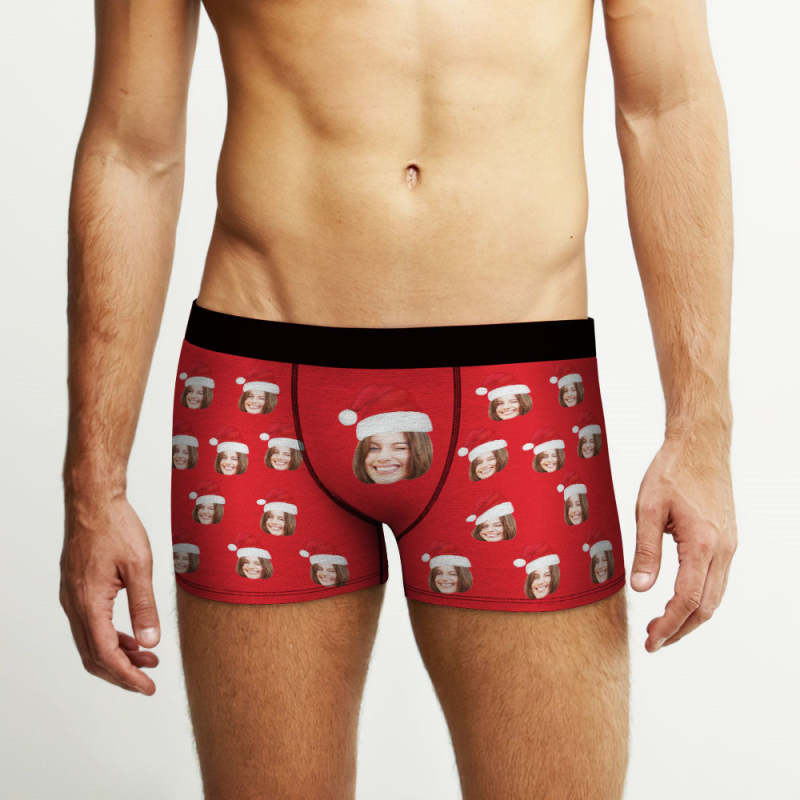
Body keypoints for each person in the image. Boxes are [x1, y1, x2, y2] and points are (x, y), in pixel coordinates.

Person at [58, 0, 738, 797]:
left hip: (518, 396)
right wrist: (93, 489)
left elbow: (667, 104)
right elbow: (131, 150)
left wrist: (702, 431)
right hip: (260, 393)